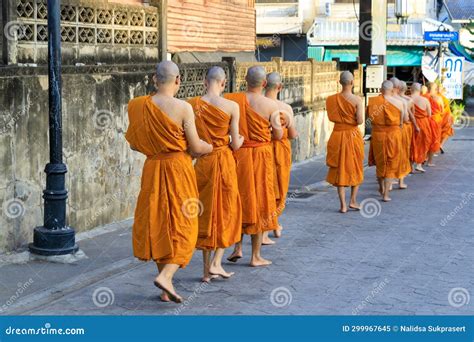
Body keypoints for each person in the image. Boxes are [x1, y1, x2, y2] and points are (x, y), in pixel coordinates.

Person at [125, 61, 213, 303]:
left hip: (153, 168)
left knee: (158, 223)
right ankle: (167, 277)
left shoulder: (138, 105)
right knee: (185, 225)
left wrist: (156, 147)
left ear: (155, 79)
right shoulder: (183, 108)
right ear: (178, 81)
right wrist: (209, 146)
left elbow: (134, 143)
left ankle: (166, 287)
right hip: (178, 169)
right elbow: (195, 147)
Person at [188, 66, 244, 282]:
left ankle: (205, 273)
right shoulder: (231, 106)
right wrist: (236, 140)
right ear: (223, 83)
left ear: (204, 81)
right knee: (227, 211)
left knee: (205, 213)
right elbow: (236, 143)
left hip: (202, 163)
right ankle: (217, 262)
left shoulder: (192, 105)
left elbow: (191, 143)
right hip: (224, 161)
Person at [224, 66, 282, 267]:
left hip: (238, 155)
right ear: (264, 83)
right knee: (261, 203)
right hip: (261, 156)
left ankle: (237, 248)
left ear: (244, 81)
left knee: (240, 199)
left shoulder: (232, 100)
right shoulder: (271, 105)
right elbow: (278, 134)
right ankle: (255, 256)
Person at [262, 72, 298, 244]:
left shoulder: (254, 105)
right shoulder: (285, 108)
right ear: (280, 87)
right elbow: (293, 134)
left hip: (261, 150)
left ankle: (273, 225)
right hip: (280, 150)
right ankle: (267, 231)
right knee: (279, 190)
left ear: (263, 85)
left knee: (266, 187)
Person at [325, 71, 364, 213]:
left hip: (337, 135)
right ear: (352, 82)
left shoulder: (331, 99)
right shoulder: (357, 100)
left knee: (339, 168)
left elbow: (331, 117)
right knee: (356, 167)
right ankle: (353, 201)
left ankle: (342, 205)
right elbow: (359, 121)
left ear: (339, 82)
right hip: (352, 136)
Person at [368, 80, 404, 202]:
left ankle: (381, 187)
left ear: (380, 89)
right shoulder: (399, 103)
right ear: (393, 89)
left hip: (378, 135)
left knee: (380, 162)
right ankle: (386, 195)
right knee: (391, 162)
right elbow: (402, 121)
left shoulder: (373, 102)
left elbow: (369, 118)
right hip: (393, 135)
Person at [389, 77, 412, 189]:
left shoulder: (382, 99)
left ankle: (388, 180)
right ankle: (401, 181)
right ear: (398, 88)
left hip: (384, 132)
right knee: (401, 154)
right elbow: (406, 119)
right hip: (399, 130)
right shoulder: (402, 101)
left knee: (388, 155)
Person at [410, 82, 433, 172]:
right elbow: (429, 114)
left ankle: (410, 165)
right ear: (420, 90)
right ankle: (419, 164)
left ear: (411, 89)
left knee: (411, 143)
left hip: (411, 123)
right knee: (423, 143)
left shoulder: (407, 99)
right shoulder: (425, 100)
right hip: (423, 123)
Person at [423, 82, 442, 166]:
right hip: (436, 120)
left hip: (426, 119)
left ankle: (424, 158)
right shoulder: (438, 98)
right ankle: (430, 161)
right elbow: (441, 110)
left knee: (426, 139)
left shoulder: (424, 97)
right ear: (435, 89)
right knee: (434, 140)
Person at [438, 85, 454, 152]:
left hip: (439, 116)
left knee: (438, 132)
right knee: (447, 131)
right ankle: (440, 145)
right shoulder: (442, 98)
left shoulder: (433, 97)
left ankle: (438, 144)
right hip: (445, 117)